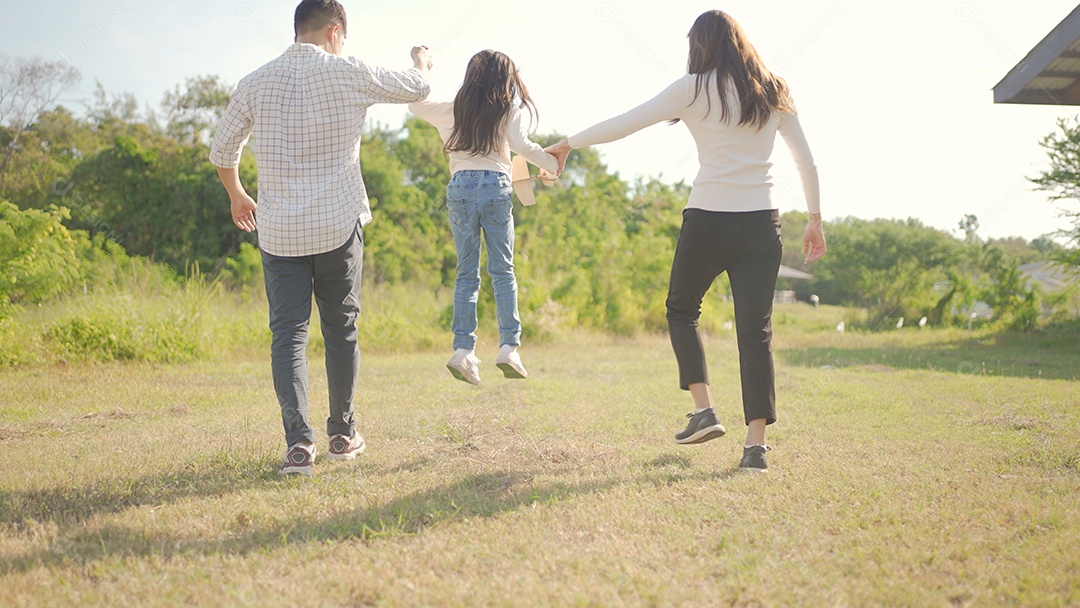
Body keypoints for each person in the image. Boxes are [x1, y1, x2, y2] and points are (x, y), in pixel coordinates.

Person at [545, 10, 826, 472]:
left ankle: (704, 409)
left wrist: (568, 143)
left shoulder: (693, 87)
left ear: (701, 45)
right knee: (756, 333)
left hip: (709, 219)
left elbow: (625, 122)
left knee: (681, 309)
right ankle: (755, 448)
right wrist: (814, 219)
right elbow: (807, 163)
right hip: (761, 224)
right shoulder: (775, 89)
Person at [209, 0, 433, 476]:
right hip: (337, 227)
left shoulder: (255, 82)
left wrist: (237, 195)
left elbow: (222, 149)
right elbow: (418, 87)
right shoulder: (348, 71)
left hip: (279, 232)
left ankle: (298, 446)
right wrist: (420, 60)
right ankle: (342, 433)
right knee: (341, 329)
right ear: (335, 30)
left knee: (288, 335)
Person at [408, 50, 559, 385]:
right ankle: (509, 347)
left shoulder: (452, 109)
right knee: (503, 270)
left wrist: (421, 66)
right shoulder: (509, 109)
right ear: (505, 79)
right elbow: (524, 146)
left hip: (460, 187)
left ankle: (463, 350)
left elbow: (414, 104)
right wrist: (552, 165)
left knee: (466, 272)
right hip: (496, 185)